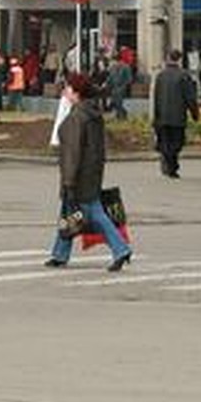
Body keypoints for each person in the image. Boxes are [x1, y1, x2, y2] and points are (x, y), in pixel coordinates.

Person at [44, 73, 132, 272]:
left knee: (93, 213)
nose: (65, 91)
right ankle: (59, 254)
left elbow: (72, 153)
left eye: (68, 88)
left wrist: (68, 181)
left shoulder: (77, 117)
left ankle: (121, 249)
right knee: (69, 213)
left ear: (76, 92)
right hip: (92, 170)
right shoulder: (93, 113)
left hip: (79, 174)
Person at [151, 48, 200, 179]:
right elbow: (190, 97)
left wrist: (155, 117)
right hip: (178, 117)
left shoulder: (160, 76)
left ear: (168, 58)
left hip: (162, 116)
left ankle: (168, 163)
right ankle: (171, 165)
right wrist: (195, 113)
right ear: (179, 59)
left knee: (166, 142)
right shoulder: (184, 76)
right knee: (176, 143)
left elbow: (156, 98)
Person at [106, 51, 132, 120]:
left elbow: (129, 79)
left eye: (114, 60)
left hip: (122, 89)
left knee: (118, 103)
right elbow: (110, 79)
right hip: (114, 90)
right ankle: (120, 116)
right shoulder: (112, 68)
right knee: (116, 104)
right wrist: (106, 85)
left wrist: (124, 86)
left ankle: (122, 116)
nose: (113, 63)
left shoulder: (126, 67)